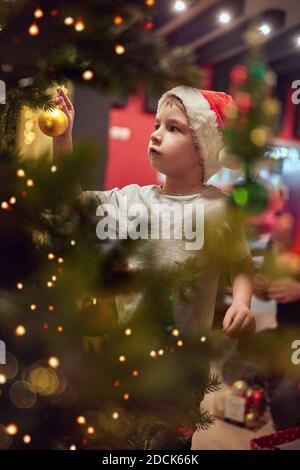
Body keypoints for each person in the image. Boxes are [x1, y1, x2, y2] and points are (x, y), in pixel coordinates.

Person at [53, 85, 255, 448]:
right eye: (157, 124)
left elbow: (239, 262)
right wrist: (62, 137)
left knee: (169, 446)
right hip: (127, 353)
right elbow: (73, 206)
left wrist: (242, 301)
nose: (156, 133)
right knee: (119, 439)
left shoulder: (221, 210)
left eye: (174, 128)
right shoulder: (130, 201)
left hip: (184, 366)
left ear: (203, 150)